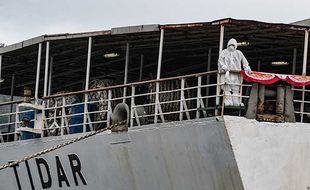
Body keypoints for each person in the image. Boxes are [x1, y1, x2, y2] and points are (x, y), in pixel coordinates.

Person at [218, 38, 252, 106]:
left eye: (233, 45)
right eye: (230, 44)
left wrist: (247, 68)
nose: (231, 46)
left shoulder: (239, 53)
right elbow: (220, 61)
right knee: (226, 88)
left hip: (236, 74)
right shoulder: (224, 52)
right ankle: (228, 102)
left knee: (236, 89)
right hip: (226, 73)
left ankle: (236, 101)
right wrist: (224, 67)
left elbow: (244, 62)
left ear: (235, 45)